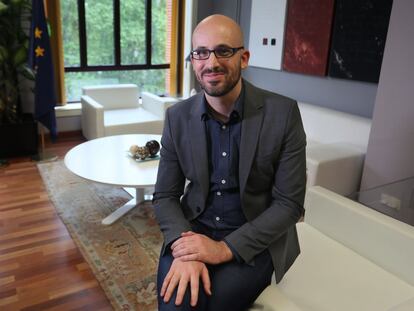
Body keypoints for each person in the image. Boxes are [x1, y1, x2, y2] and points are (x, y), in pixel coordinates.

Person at [153, 14, 306, 311]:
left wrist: (223, 249)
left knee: (213, 304)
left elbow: (289, 204)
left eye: (223, 51)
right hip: (192, 230)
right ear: (193, 60)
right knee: (177, 303)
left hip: (253, 236)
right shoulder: (177, 117)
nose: (211, 63)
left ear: (244, 58)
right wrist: (187, 250)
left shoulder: (283, 113)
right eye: (201, 53)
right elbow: (165, 196)